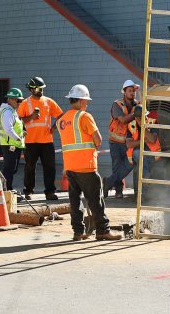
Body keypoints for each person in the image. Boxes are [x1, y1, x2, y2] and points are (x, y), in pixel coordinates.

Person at [57, 84, 121, 241]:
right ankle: (103, 231)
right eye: (86, 101)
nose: (87, 104)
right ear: (79, 101)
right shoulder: (84, 117)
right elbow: (97, 139)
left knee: (75, 200)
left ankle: (78, 232)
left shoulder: (62, 120)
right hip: (86, 166)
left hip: (70, 167)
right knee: (95, 200)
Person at [17, 76, 63, 200]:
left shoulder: (49, 102)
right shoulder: (25, 103)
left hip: (47, 141)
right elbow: (18, 120)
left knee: (50, 167)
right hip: (30, 141)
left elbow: (61, 116)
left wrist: (54, 128)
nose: (41, 91)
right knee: (30, 167)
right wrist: (31, 117)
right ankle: (28, 192)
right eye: (38, 88)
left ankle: (50, 192)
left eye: (42, 88)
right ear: (31, 89)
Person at [103, 80, 141, 198]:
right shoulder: (117, 104)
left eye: (134, 91)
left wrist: (139, 94)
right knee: (117, 166)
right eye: (130, 91)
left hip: (128, 142)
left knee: (129, 165)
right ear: (124, 92)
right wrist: (135, 114)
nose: (132, 93)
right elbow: (123, 120)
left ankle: (107, 182)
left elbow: (143, 108)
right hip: (115, 143)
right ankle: (118, 191)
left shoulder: (136, 105)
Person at [126, 110, 161, 199]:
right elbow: (129, 144)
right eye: (139, 118)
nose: (143, 119)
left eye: (144, 116)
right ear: (136, 117)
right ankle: (144, 189)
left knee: (142, 160)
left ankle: (145, 193)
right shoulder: (131, 125)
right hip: (137, 154)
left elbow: (152, 139)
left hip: (152, 154)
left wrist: (143, 127)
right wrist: (143, 141)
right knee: (139, 155)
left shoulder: (152, 122)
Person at [0, 87, 25, 191]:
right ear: (10, 99)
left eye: (21, 101)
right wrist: (18, 138)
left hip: (13, 145)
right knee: (9, 169)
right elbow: (8, 129)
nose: (20, 103)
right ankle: (6, 191)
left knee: (11, 169)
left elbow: (14, 127)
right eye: (18, 100)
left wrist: (21, 133)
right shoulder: (8, 112)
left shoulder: (12, 111)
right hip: (10, 145)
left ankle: (7, 190)